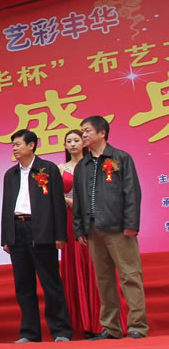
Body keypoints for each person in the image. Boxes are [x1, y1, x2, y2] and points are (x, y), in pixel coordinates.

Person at [74, 116, 148, 340]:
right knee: (103, 279)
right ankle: (111, 327)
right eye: (82, 131)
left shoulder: (121, 158)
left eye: (87, 131)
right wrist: (79, 229)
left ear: (102, 133)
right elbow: (78, 200)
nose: (83, 135)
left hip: (118, 227)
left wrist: (131, 224)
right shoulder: (83, 165)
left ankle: (137, 325)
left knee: (130, 275)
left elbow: (132, 193)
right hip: (93, 228)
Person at [1, 129, 73, 343]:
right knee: (23, 285)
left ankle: (60, 330)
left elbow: (57, 204)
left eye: (18, 144)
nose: (14, 148)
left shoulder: (48, 169)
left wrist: (60, 234)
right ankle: (29, 332)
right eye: (13, 145)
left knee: (50, 283)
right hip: (17, 230)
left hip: (42, 230)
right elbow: (6, 207)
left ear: (31, 145)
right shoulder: (10, 174)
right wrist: (6, 237)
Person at [59, 129, 102, 338]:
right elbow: (54, 196)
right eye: (69, 141)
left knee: (95, 266)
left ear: (84, 144)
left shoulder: (93, 165)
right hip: (69, 221)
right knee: (74, 268)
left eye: (77, 140)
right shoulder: (60, 168)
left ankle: (100, 322)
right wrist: (69, 202)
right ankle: (80, 322)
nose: (73, 144)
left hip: (91, 220)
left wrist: (79, 203)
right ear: (65, 146)